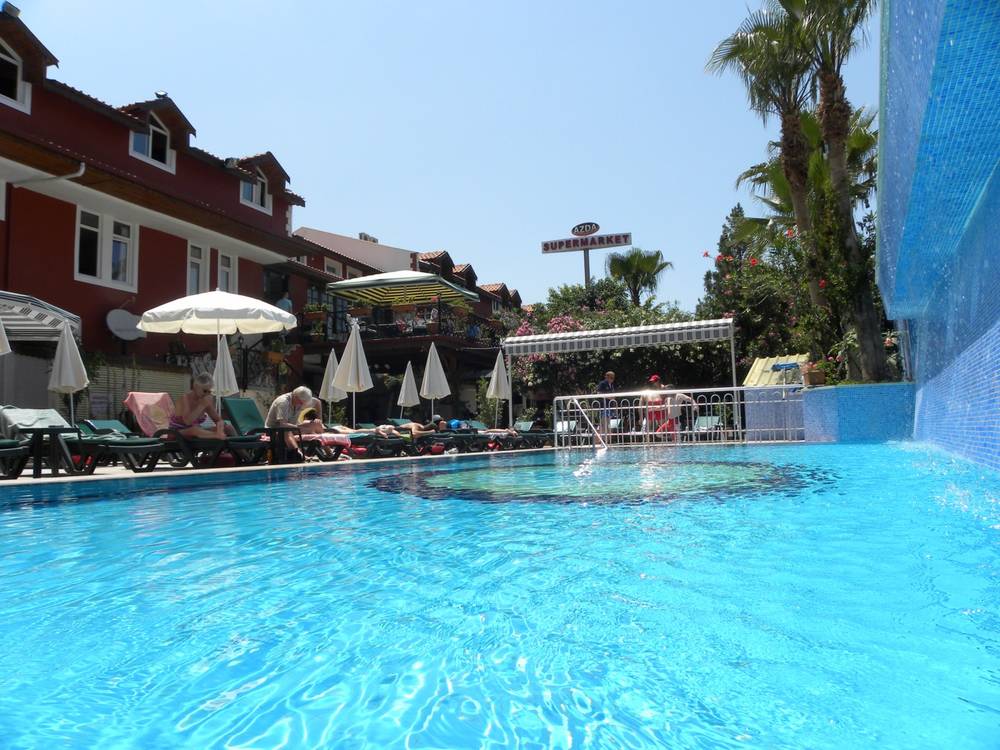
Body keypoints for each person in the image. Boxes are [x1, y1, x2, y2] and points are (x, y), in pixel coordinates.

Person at [170, 373, 234, 439]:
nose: (207, 394)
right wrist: (202, 405)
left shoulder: (205, 400)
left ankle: (238, 445)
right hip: (177, 432)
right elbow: (188, 421)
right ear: (195, 386)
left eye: (209, 392)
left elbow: (218, 420)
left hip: (196, 431)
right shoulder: (185, 399)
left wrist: (220, 428)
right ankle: (217, 435)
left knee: (228, 428)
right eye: (205, 391)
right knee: (195, 430)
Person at [266, 385, 324, 453]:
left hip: (292, 428)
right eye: (301, 402)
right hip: (274, 431)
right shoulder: (283, 402)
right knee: (287, 430)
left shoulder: (301, 399)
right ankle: (299, 454)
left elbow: (317, 402)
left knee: (316, 424)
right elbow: (283, 424)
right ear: (295, 396)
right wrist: (299, 428)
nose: (302, 404)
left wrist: (319, 419)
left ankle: (329, 454)